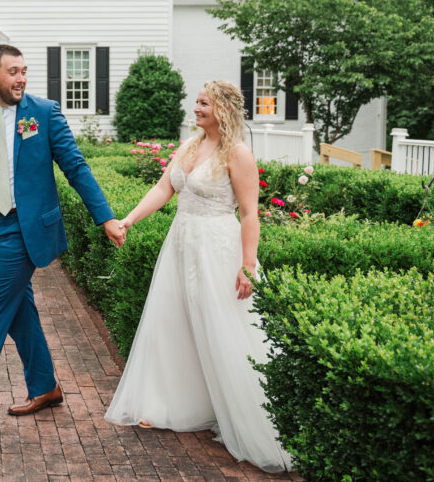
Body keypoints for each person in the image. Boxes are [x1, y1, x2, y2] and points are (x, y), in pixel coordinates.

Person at [0, 44, 126, 432]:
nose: (21, 79)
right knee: (19, 312)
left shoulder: (43, 113)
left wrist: (106, 217)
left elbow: (75, 166)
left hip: (22, 230)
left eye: (24, 71)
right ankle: (46, 387)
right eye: (13, 72)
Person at [103, 80, 293, 473]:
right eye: (198, 102)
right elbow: (162, 189)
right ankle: (169, 403)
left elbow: (249, 213)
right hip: (180, 245)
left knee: (221, 327)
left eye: (204, 103)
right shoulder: (189, 147)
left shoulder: (238, 154)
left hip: (216, 248)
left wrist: (248, 264)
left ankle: (246, 415)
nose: (197, 108)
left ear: (222, 108)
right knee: (173, 321)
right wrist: (128, 220)